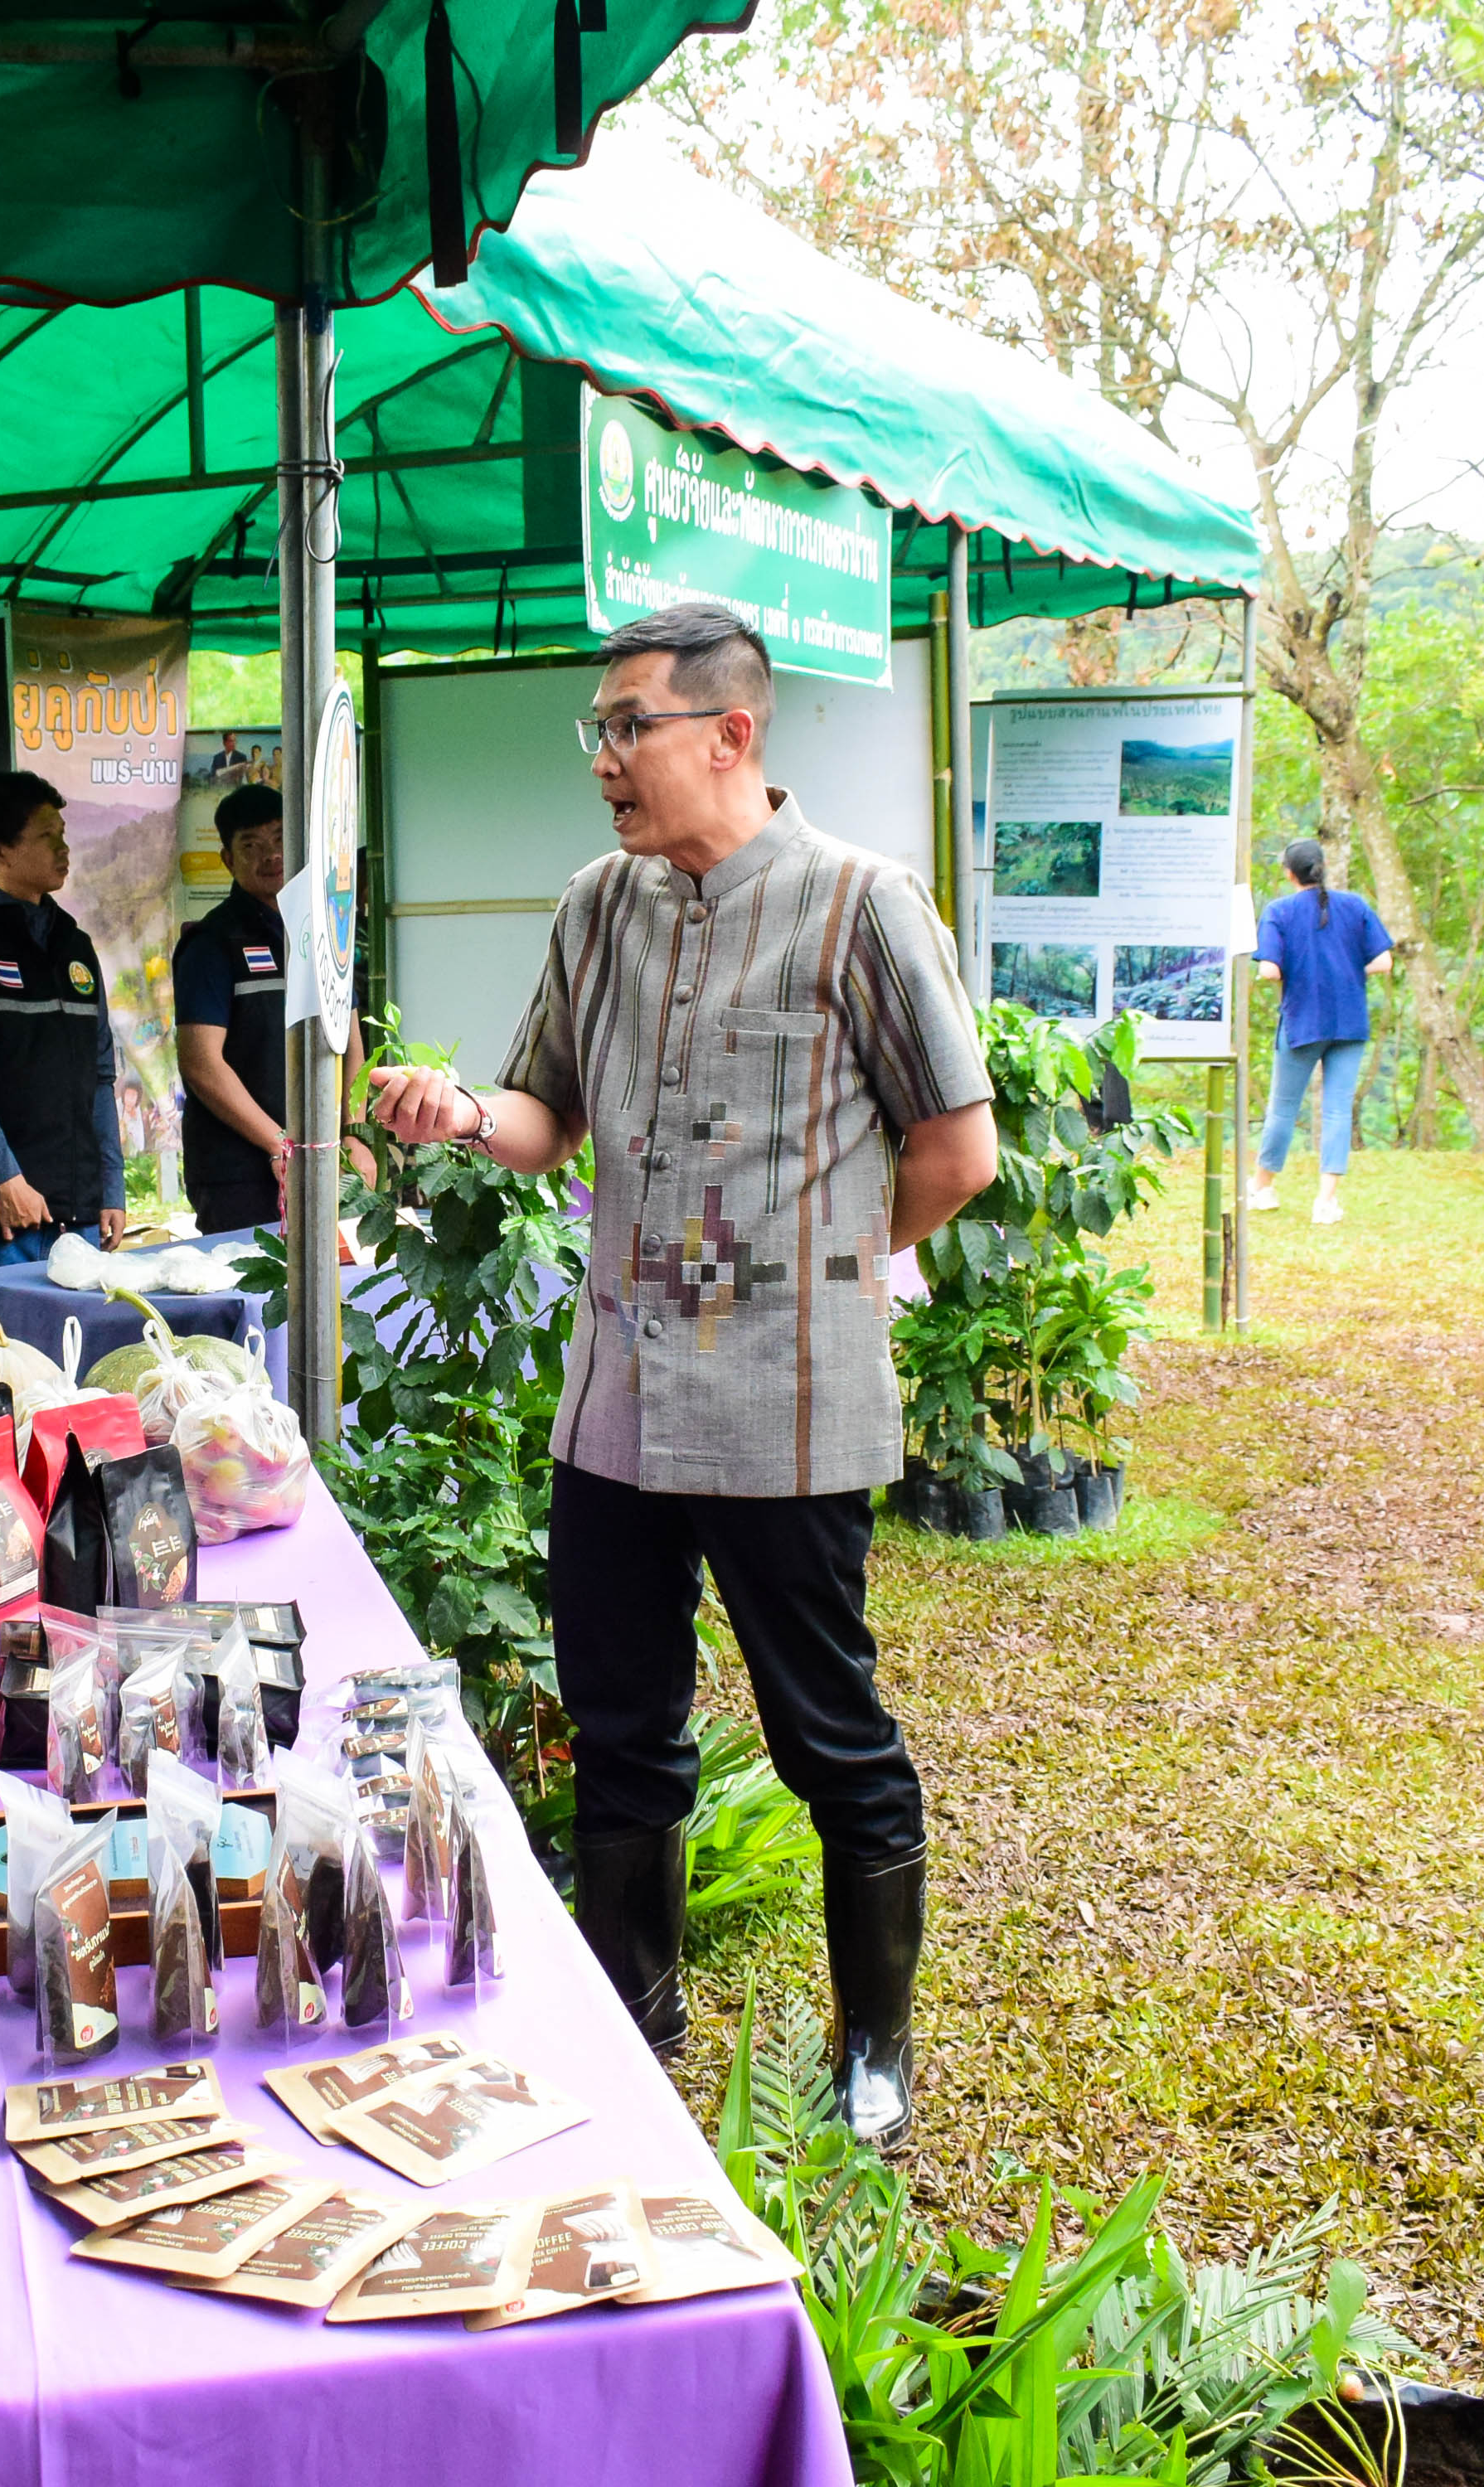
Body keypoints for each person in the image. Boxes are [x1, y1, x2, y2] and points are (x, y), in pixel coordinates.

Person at [363, 604, 999, 2150]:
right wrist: (457, 1115)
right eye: (598, 731)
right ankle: (636, 2026)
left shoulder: (860, 905)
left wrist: (826, 1274)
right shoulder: (598, 906)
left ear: (731, 732)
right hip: (618, 1406)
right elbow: (544, 1117)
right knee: (621, 1721)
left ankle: (874, 2059)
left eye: (625, 727)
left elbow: (955, 1151)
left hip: (790, 1412)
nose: (603, 761)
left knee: (827, 1732)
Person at [0, 770, 124, 1277]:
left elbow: (101, 1075)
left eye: (63, 833)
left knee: (81, 1354)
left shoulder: (74, 945)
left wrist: (111, 1187)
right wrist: (6, 1179)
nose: (64, 847)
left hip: (76, 1215)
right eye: (45, 836)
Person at [170, 783, 292, 1237]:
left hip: (319, 1161)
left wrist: (354, 1134)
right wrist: (281, 1146)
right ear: (227, 859)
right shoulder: (212, 942)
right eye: (252, 846)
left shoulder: (318, 929)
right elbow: (201, 1063)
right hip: (239, 1175)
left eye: (280, 839)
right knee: (254, 1303)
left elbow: (348, 1031)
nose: (271, 855)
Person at [1248, 838, 1390, 1223]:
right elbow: (1384, 961)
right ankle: (1326, 1201)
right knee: (1337, 1109)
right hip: (1349, 1020)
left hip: (1302, 1022)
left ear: (1289, 873)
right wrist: (1345, 971)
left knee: (1282, 1108)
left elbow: (1269, 970)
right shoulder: (1355, 905)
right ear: (1322, 866)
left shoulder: (1279, 911)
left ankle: (1262, 1187)